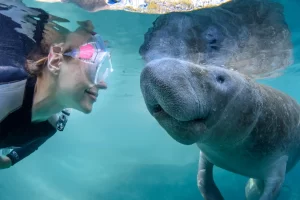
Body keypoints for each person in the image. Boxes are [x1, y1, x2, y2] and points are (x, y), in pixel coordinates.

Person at [0, 1, 113, 168]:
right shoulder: (5, 89)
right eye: (95, 68)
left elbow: (33, 142)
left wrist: (10, 160)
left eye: (104, 70)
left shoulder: (50, 125)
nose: (103, 84)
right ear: (55, 60)